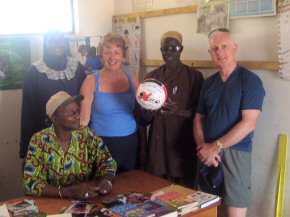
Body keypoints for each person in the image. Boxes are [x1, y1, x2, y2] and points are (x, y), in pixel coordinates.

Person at [193, 28, 265, 217]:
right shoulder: (208, 84)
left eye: (224, 46)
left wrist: (215, 147)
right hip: (207, 155)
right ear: (210, 53)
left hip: (237, 154)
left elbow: (249, 123)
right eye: (215, 49)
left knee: (234, 211)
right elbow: (198, 118)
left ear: (235, 48)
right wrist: (203, 148)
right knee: (206, 211)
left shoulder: (250, 81)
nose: (220, 52)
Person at [23, 91, 117, 200]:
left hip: (87, 201)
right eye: (71, 113)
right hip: (52, 203)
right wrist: (67, 192)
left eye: (77, 111)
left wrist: (107, 180)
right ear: (55, 119)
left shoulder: (87, 135)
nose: (77, 116)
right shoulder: (39, 140)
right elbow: (30, 183)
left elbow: (108, 163)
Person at [139, 31, 204, 187]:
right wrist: (149, 112)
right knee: (157, 190)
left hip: (181, 144)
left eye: (174, 48)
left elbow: (201, 114)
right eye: (165, 48)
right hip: (158, 144)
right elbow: (143, 119)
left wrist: (179, 112)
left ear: (181, 49)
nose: (169, 52)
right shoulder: (151, 78)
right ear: (160, 50)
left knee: (183, 193)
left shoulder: (194, 77)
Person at [20, 30, 86, 158]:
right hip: (45, 139)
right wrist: (27, 149)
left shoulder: (76, 67)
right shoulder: (34, 72)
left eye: (60, 39)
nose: (57, 44)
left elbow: (85, 103)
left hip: (74, 138)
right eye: (52, 40)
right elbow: (28, 113)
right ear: (45, 43)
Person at [80, 32, 140, 173]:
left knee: (130, 189)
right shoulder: (91, 81)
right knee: (103, 190)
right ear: (101, 54)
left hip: (130, 143)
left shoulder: (133, 80)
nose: (112, 58)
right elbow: (83, 119)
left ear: (122, 55)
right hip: (101, 144)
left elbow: (145, 110)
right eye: (107, 52)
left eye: (116, 52)